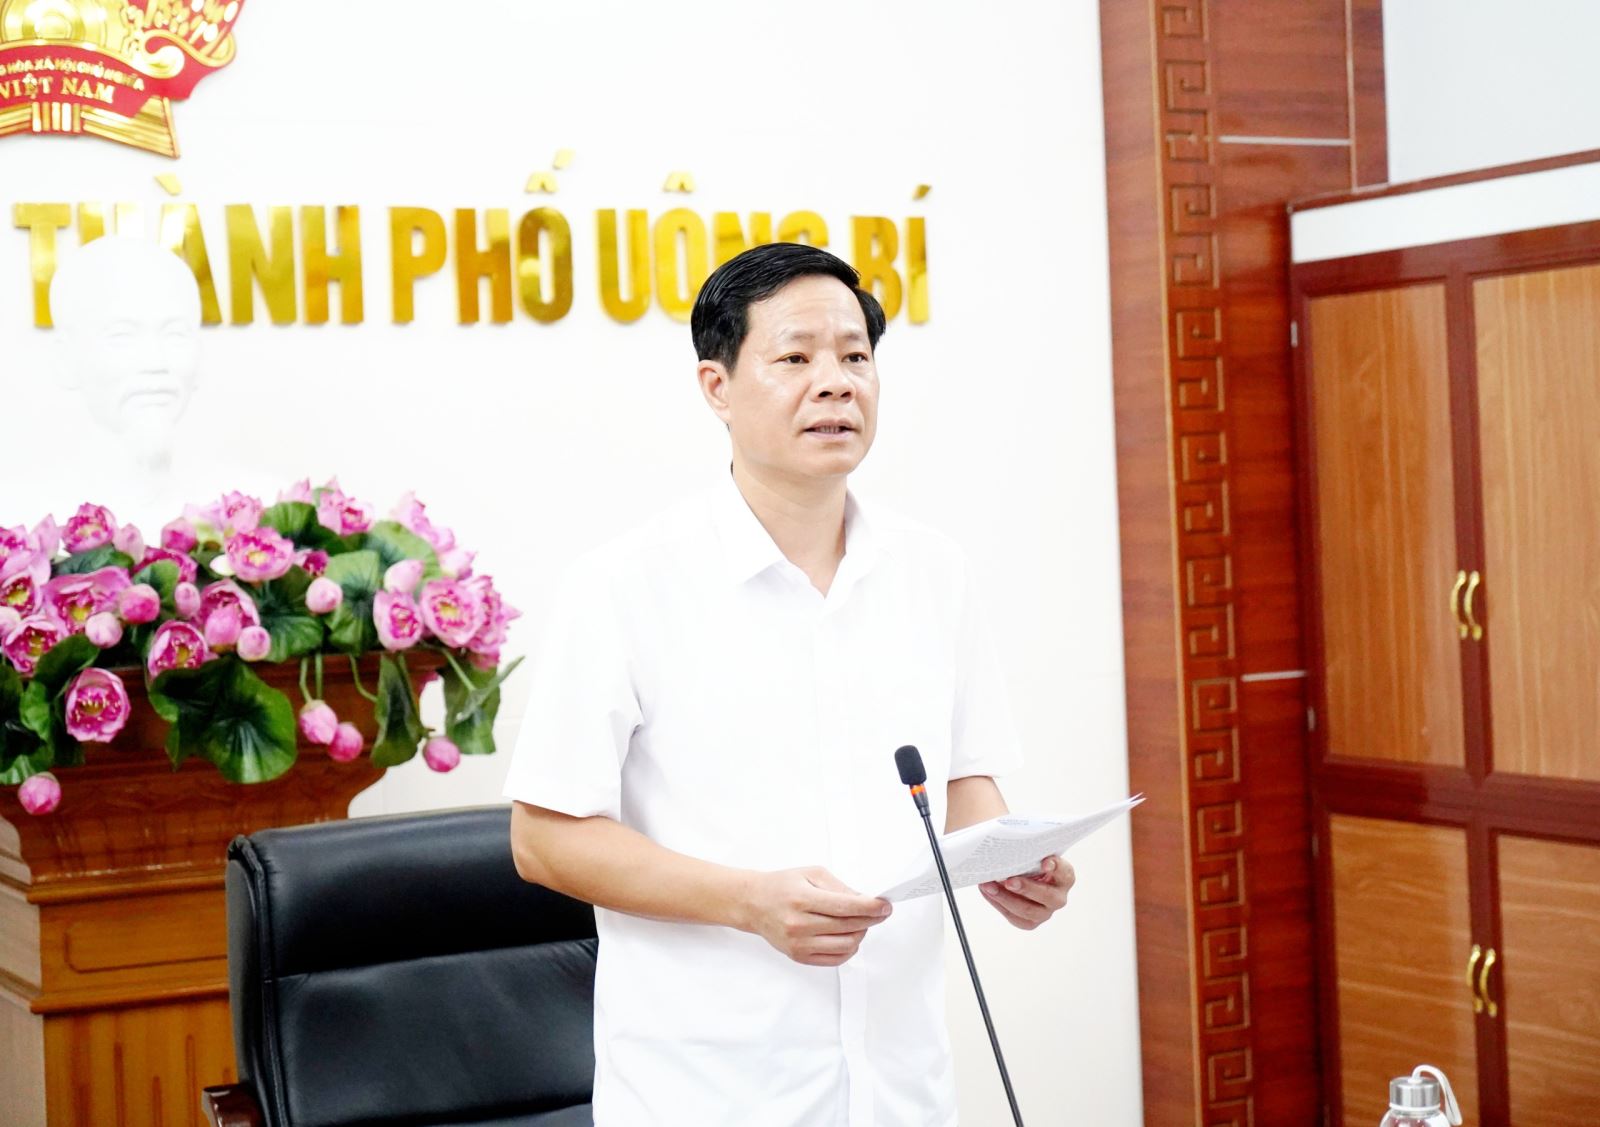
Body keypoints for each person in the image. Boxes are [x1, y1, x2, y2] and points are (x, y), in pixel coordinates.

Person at [502, 242, 1074, 1126]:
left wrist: (1010, 862)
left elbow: (964, 781)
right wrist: (747, 901)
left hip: (901, 1090)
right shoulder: (624, 587)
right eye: (796, 357)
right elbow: (544, 840)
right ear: (717, 386)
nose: (836, 383)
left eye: (855, 356)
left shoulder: (934, 573)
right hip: (710, 1094)